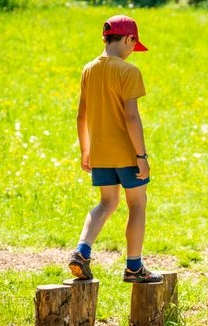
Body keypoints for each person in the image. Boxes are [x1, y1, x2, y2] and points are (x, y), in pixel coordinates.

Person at [68, 15, 163, 284]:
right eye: (134, 44)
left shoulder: (89, 69)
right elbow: (132, 117)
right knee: (137, 205)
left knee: (106, 203)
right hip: (126, 153)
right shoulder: (128, 71)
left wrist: (85, 150)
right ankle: (134, 267)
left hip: (100, 153)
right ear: (128, 38)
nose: (134, 50)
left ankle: (82, 251)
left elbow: (81, 116)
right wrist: (141, 155)